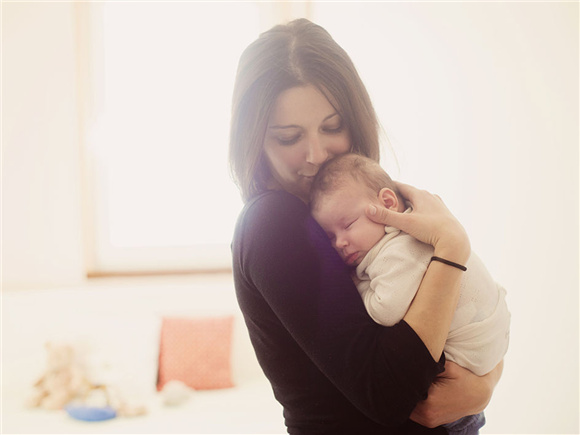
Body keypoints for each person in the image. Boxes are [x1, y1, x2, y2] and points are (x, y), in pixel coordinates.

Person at [229, 18, 503, 434]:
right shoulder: (272, 222)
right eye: (288, 137)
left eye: (332, 127)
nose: (316, 155)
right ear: (255, 141)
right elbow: (390, 393)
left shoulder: (356, 201)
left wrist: (485, 383)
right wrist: (451, 248)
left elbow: (462, 312)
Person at [310, 153, 511, 435]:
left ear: (387, 203)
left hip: (463, 380)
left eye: (348, 225)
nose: (340, 242)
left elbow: (387, 310)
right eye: (329, 236)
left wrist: (355, 285)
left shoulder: (398, 249)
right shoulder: (403, 236)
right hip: (486, 359)